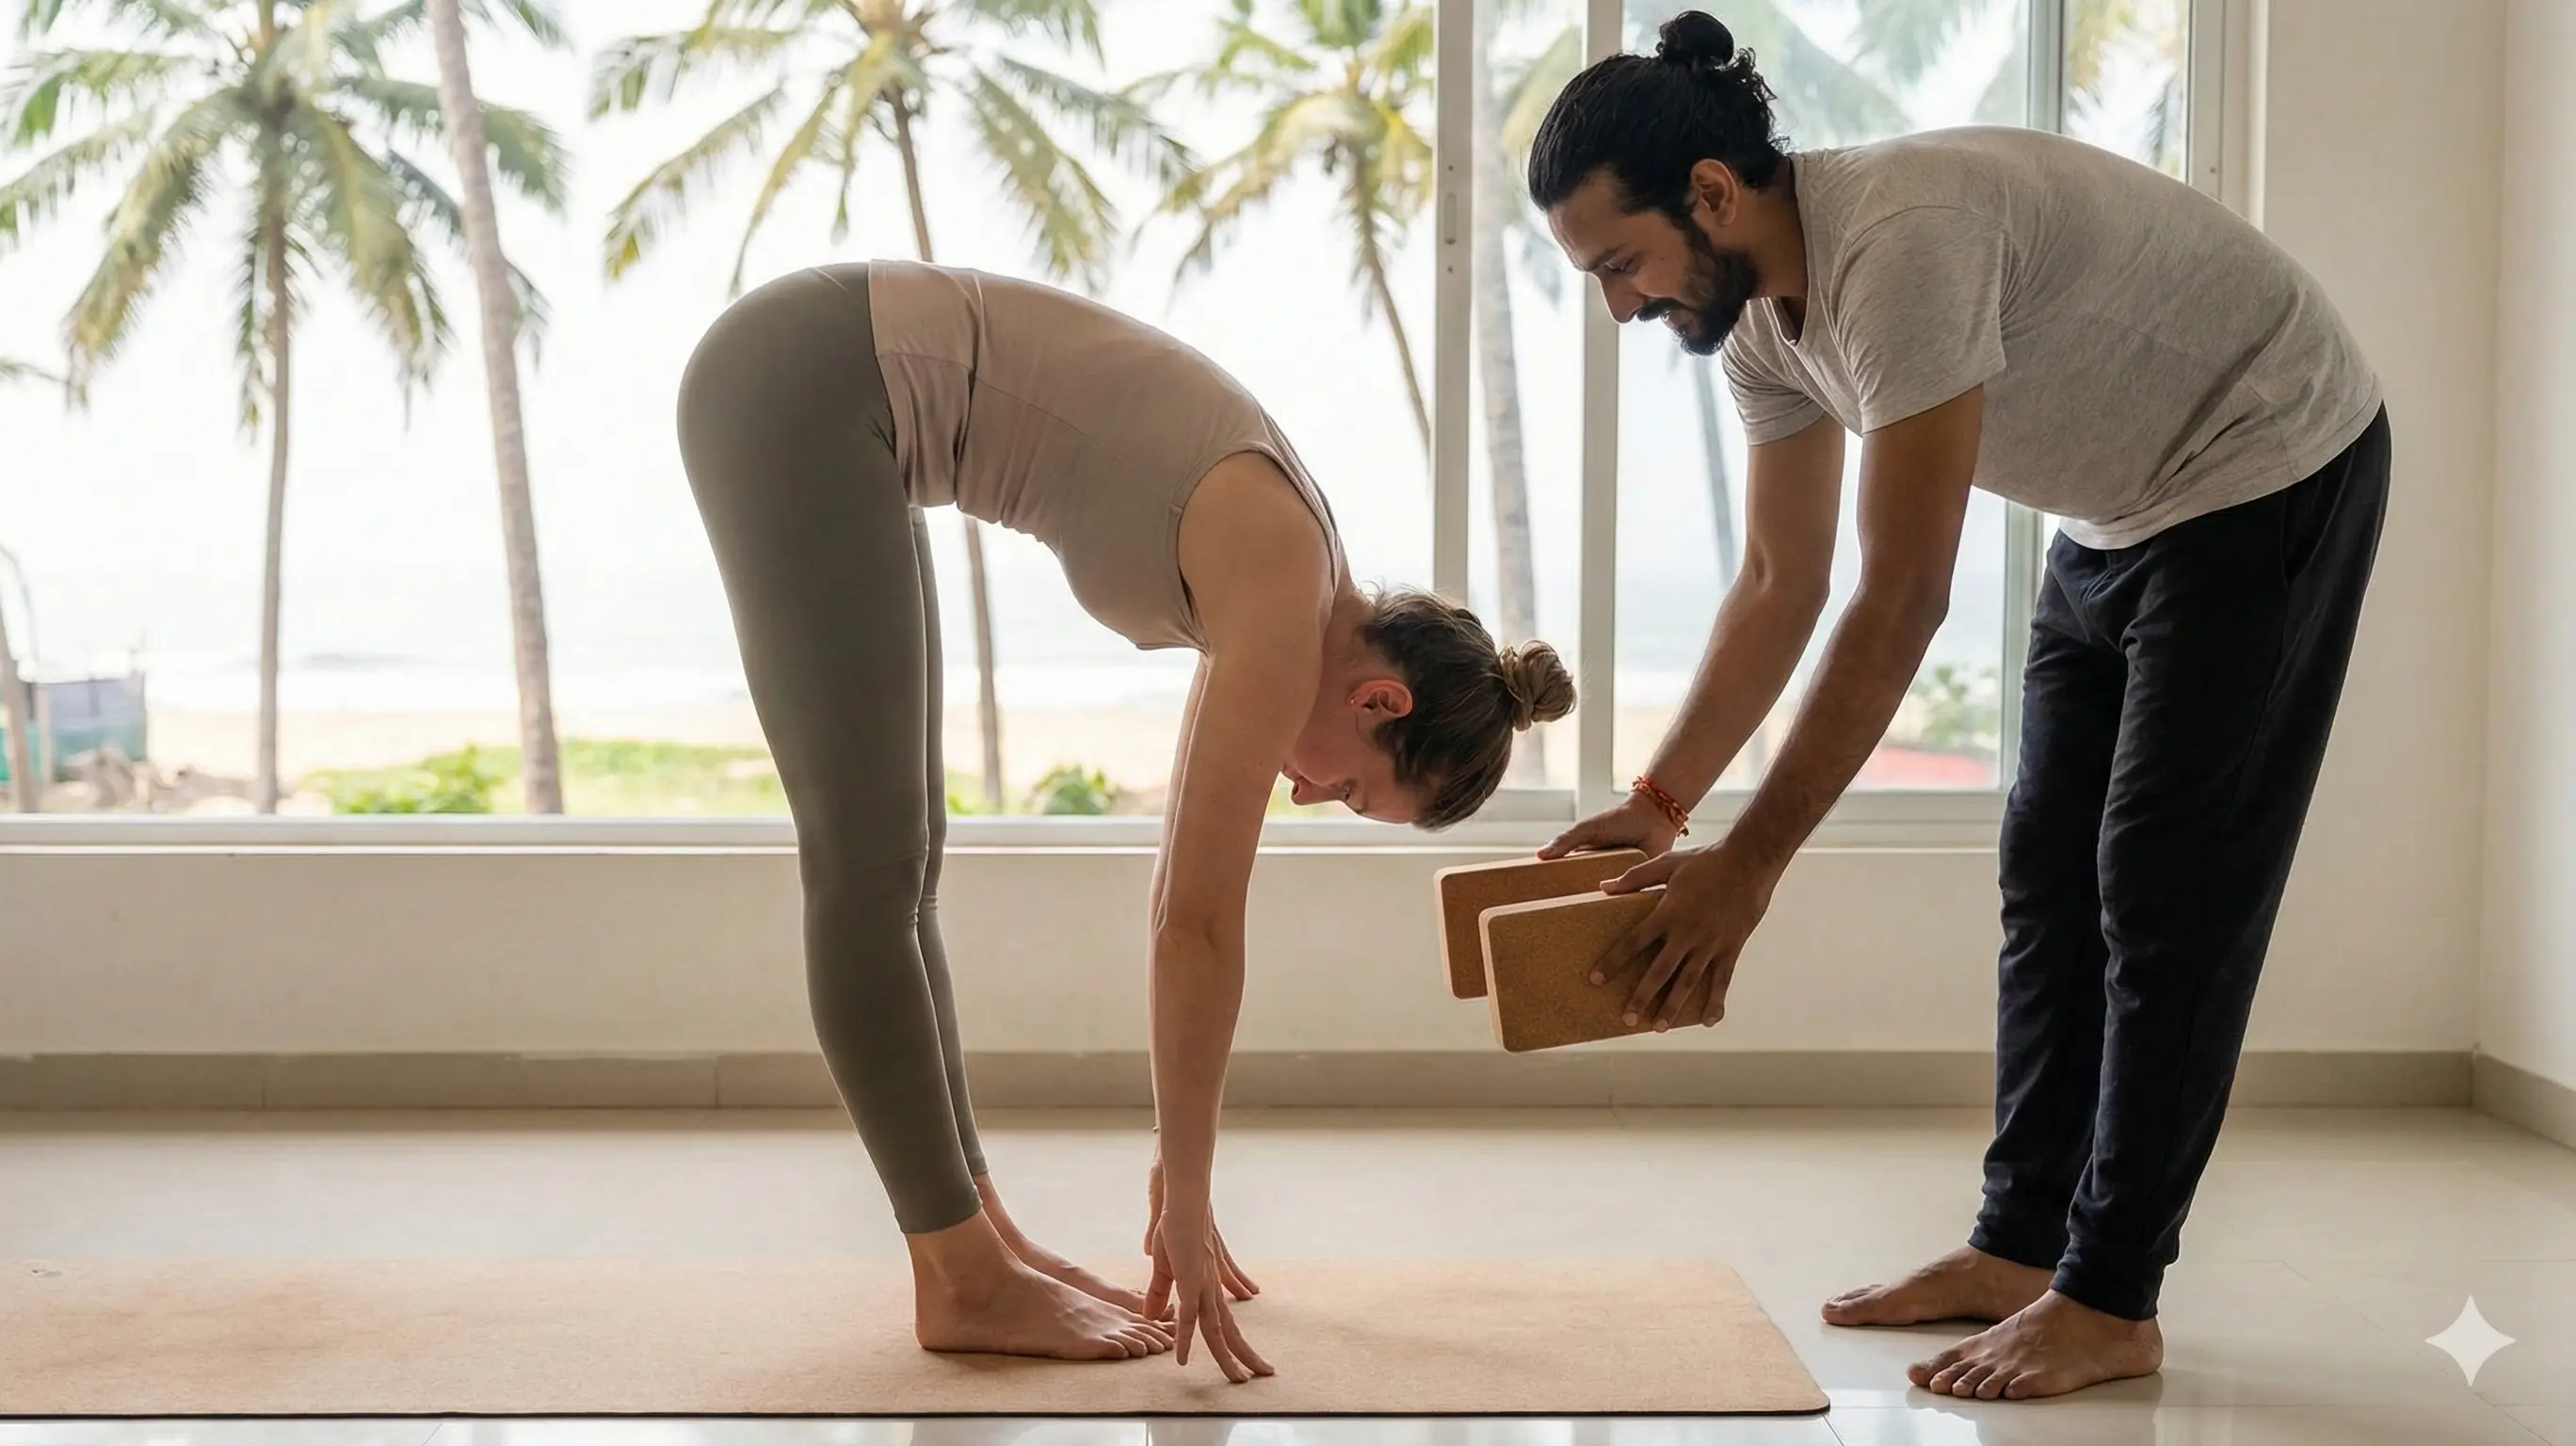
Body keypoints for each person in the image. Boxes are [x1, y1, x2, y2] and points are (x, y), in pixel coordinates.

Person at [1524, 8, 2389, 1403]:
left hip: (2268, 462)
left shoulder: (1898, 244)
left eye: (1620, 265)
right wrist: (1660, 805)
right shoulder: (1762, 330)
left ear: (1712, 194)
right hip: (2115, 517)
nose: (1621, 307)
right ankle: (2019, 1242)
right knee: (2045, 877)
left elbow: (1899, 596)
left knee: (2165, 893)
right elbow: (1774, 579)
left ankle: (2111, 1299)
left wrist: (1750, 868)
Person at [676, 260, 1575, 1379]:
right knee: (864, 867)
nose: (1308, 796)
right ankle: (958, 1279)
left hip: (840, 398)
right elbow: (1193, 923)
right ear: (1379, 701)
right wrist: (1190, 1201)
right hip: (805, 382)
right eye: (1349, 788)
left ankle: (979, 1236)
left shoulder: (1294, 569)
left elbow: (1176, 897)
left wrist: (1177, 1165)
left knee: (902, 863)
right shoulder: (1282, 578)